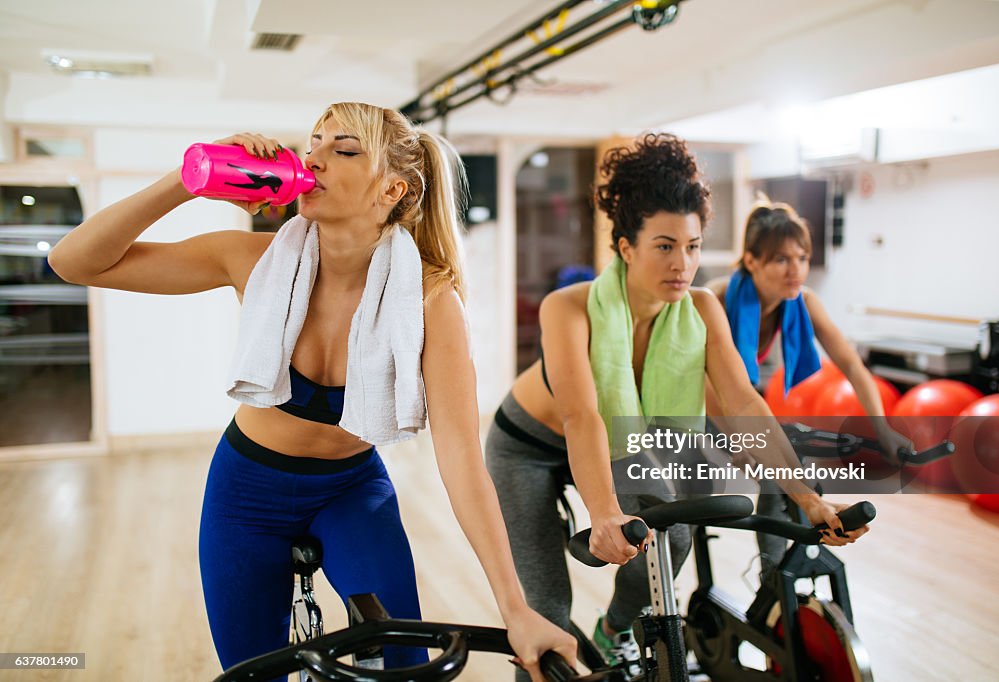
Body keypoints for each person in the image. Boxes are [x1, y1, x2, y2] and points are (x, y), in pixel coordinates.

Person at [47, 101, 575, 682]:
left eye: (342, 149)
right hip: (244, 493)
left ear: (391, 189)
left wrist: (515, 608)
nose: (313, 158)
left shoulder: (429, 301)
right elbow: (74, 262)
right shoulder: (252, 259)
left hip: (350, 490)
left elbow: (461, 460)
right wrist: (189, 179)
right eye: (312, 144)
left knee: (405, 662)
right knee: (253, 673)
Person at [485, 133, 866, 679]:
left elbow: (744, 404)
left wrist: (806, 498)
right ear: (625, 248)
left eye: (692, 246)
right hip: (527, 448)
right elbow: (582, 416)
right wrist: (605, 514)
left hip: (621, 440)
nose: (682, 263)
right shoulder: (567, 308)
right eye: (664, 245)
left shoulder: (702, 309)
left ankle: (615, 630)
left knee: (672, 533)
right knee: (548, 617)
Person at [705, 197, 912, 580]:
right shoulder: (714, 298)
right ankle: (773, 578)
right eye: (782, 259)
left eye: (801, 258)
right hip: (695, 405)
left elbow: (851, 364)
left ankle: (777, 579)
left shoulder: (801, 300)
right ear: (751, 261)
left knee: (788, 462)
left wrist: (882, 429)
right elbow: (702, 383)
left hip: (742, 401)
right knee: (775, 463)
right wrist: (737, 442)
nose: (795, 270)